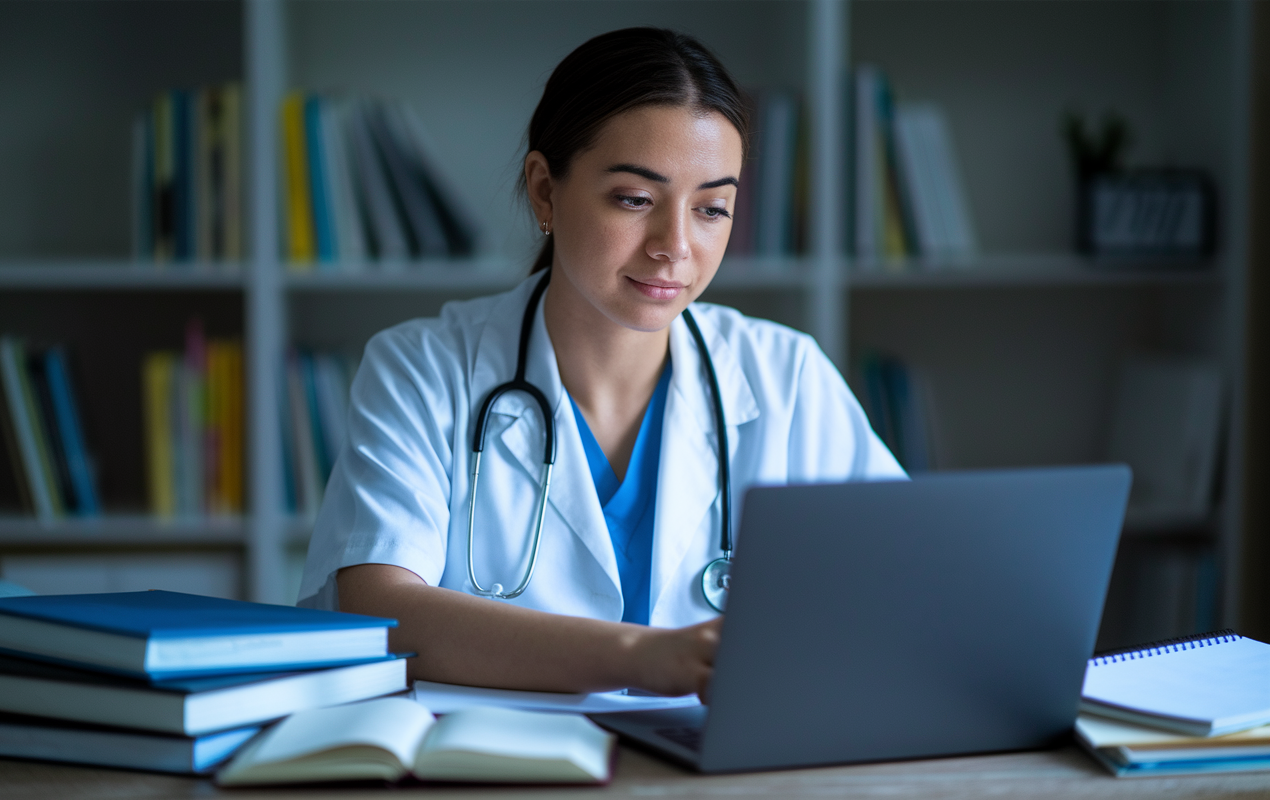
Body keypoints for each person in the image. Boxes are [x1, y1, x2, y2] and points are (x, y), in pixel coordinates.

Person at [299, 27, 904, 700]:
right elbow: (380, 611)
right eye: (635, 199)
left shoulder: (787, 376)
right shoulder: (422, 368)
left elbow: (911, 583)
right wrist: (641, 657)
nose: (675, 246)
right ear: (545, 191)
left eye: (711, 208)